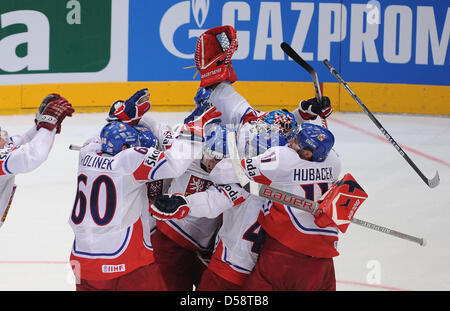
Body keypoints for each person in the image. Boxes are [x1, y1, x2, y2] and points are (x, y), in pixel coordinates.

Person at [68, 100, 221, 291]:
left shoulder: (86, 152)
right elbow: (176, 163)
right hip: (124, 259)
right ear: (125, 149)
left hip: (82, 261)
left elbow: (102, 136)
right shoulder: (129, 160)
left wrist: (121, 119)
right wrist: (195, 129)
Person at [1, 94, 74, 229]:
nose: (5, 140)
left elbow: (22, 140)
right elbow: (33, 155)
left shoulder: (4, 147)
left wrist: (44, 123)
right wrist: (48, 124)